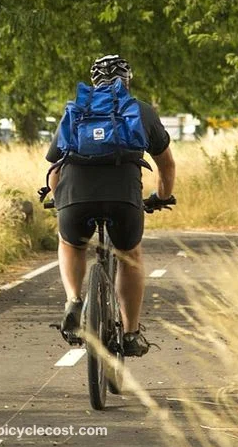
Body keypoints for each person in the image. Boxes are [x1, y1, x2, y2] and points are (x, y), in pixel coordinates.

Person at [44, 54, 175, 357]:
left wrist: (58, 199)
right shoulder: (141, 111)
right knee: (130, 255)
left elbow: (54, 167)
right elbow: (166, 166)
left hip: (76, 194)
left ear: (93, 83)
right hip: (124, 197)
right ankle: (130, 334)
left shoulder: (76, 110)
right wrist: (163, 196)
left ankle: (74, 300)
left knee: (71, 243)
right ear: (128, 81)